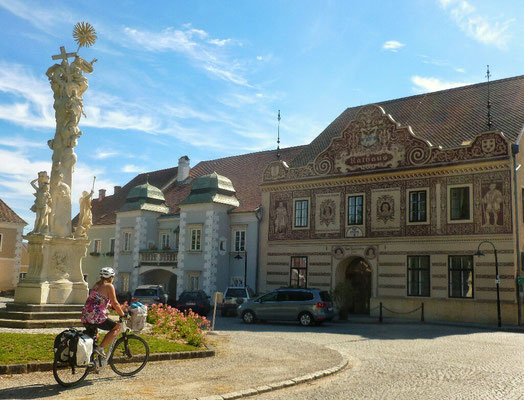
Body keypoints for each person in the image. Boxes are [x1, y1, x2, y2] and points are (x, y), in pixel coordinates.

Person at [81, 267, 125, 358]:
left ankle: (90, 360)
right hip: (96, 316)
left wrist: (109, 306)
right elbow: (115, 303)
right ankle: (100, 348)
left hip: (86, 315)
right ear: (111, 277)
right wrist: (122, 314)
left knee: (95, 337)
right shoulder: (109, 286)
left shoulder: (97, 284)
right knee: (116, 328)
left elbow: (98, 300)